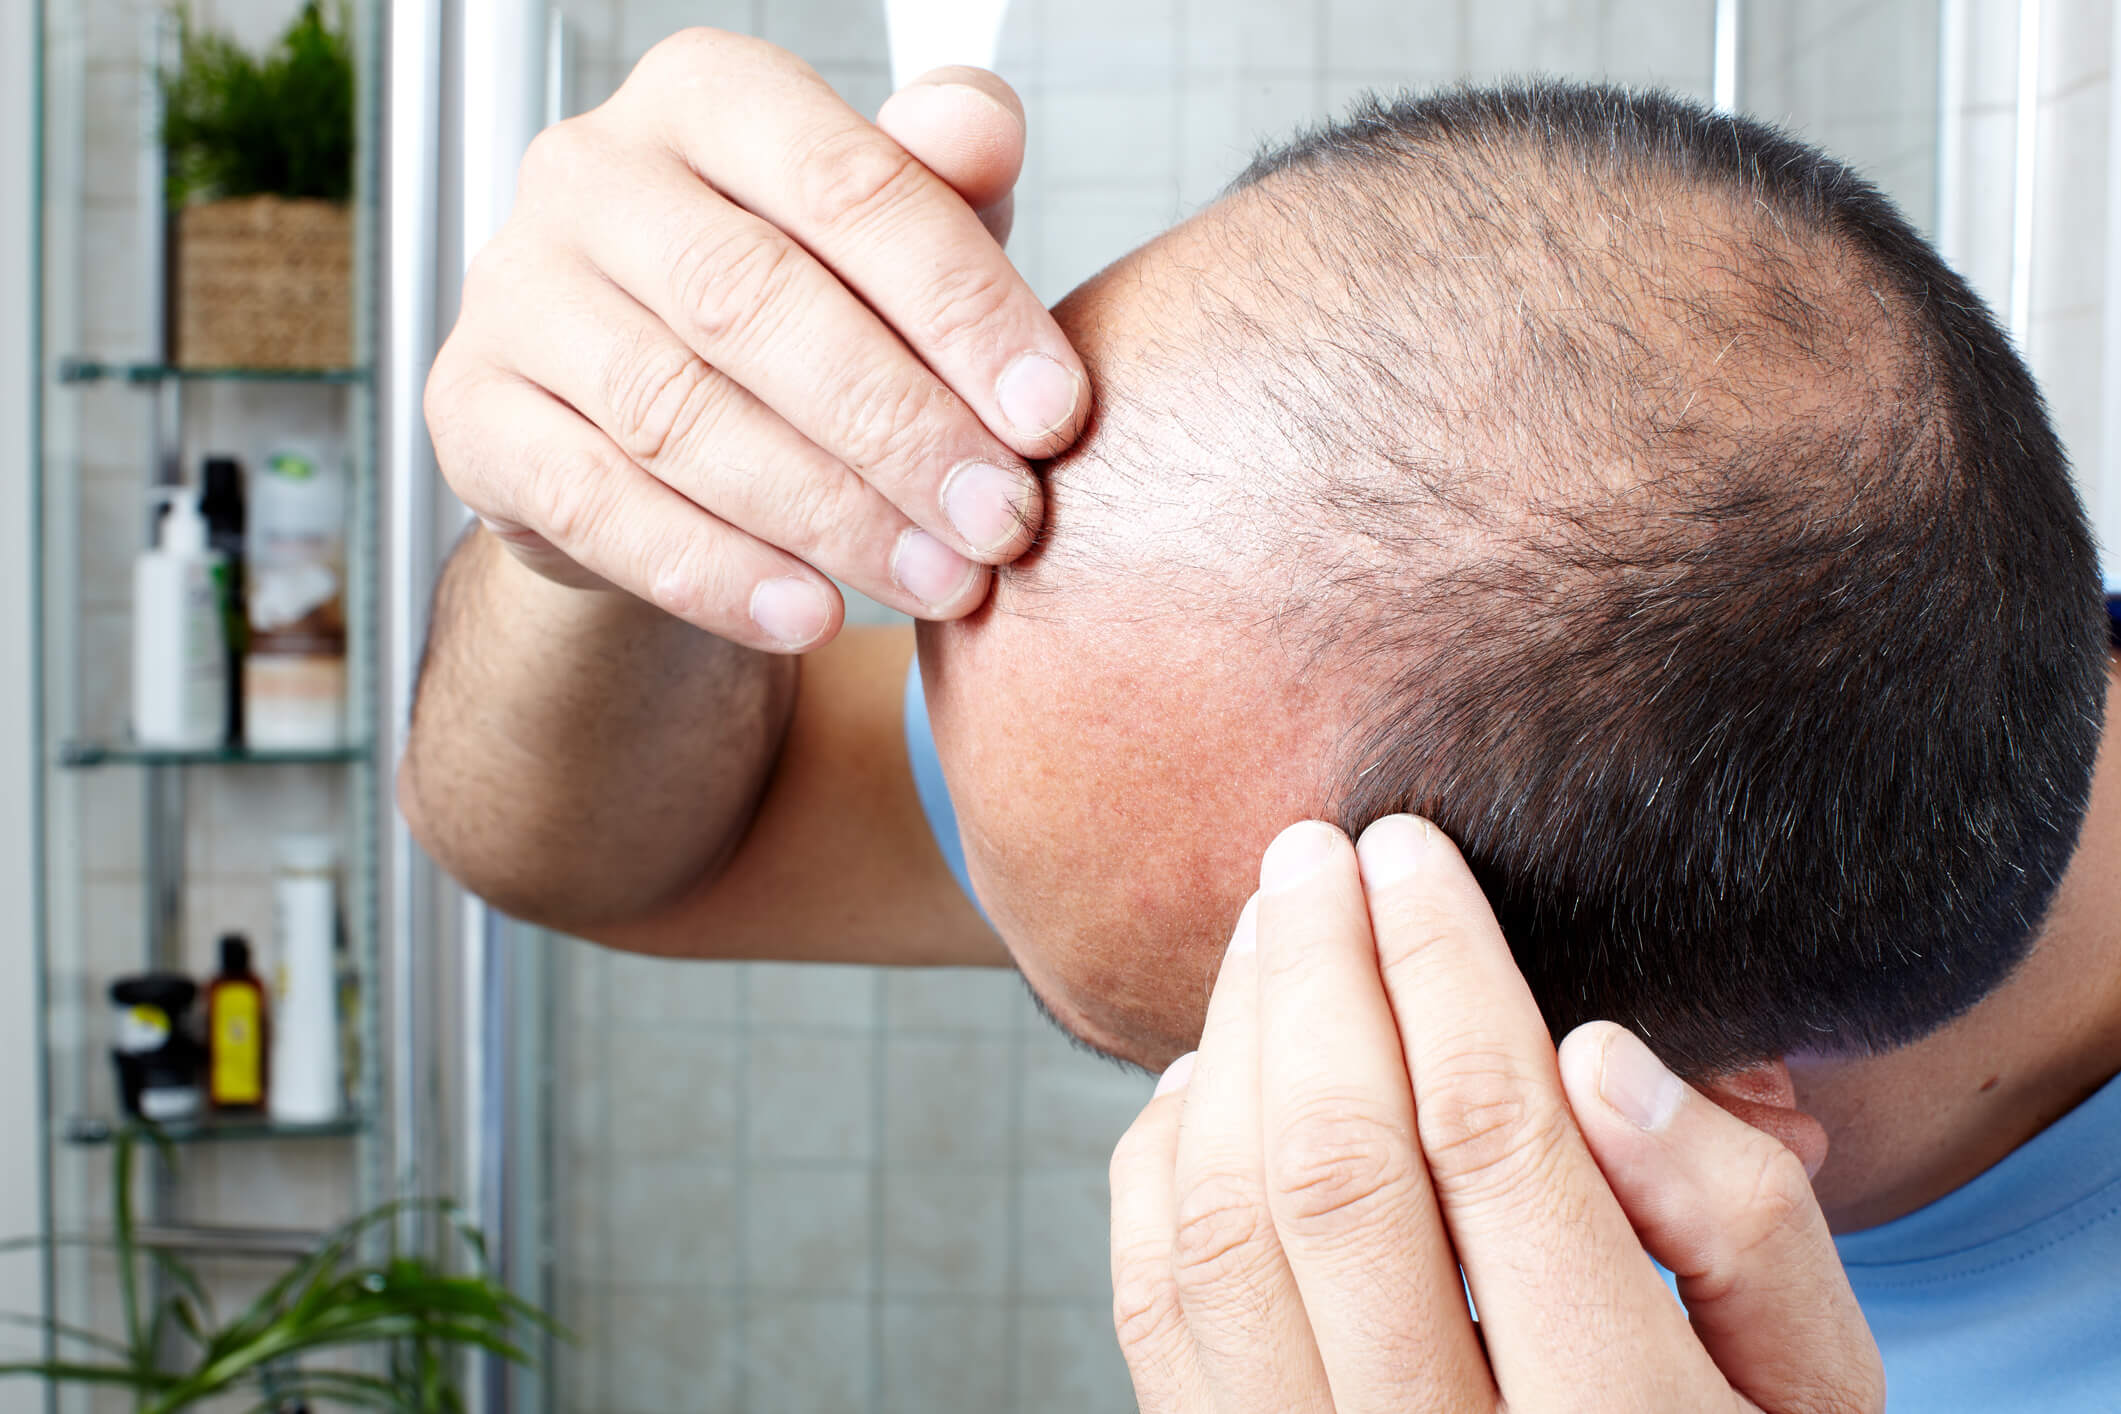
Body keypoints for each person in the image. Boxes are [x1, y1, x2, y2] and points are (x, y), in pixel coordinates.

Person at [404, 30, 2121, 1411]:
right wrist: (596, 544)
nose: (1252, 1152)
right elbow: (608, 849)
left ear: (1674, 1133)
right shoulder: (1287, 733)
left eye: (1194, 1052)